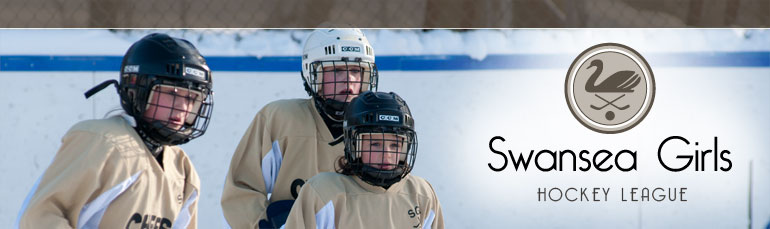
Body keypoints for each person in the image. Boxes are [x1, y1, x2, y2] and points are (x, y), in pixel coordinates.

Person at [17, 33, 214, 228]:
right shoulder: (101, 142)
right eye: (172, 93)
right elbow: (39, 217)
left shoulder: (182, 170)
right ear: (138, 90)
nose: (183, 107)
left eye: (190, 98)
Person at [221, 28, 378, 228]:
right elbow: (241, 190)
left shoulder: (377, 131)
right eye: (337, 69)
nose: (350, 80)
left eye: (356, 70)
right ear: (313, 74)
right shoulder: (280, 118)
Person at [283, 91, 444, 228]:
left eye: (395, 145)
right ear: (353, 144)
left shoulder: (421, 193)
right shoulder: (323, 192)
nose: (386, 154)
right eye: (374, 143)